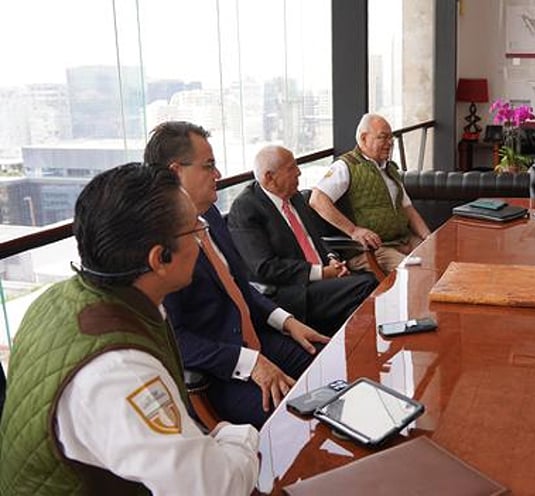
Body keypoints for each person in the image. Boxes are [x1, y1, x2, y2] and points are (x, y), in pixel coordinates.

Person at [0, 164, 259, 495]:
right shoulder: (118, 371)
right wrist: (240, 436)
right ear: (159, 259)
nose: (201, 239)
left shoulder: (58, 299)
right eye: (196, 229)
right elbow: (214, 488)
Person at [144, 121, 329, 429]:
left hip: (255, 339)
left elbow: (239, 287)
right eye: (209, 166)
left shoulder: (211, 215)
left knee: (327, 367)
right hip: (218, 371)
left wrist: (288, 321)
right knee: (295, 423)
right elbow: (176, 339)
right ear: (176, 171)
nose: (218, 175)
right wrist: (249, 363)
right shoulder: (160, 244)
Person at [228, 145, 378, 336]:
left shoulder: (295, 196)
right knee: (366, 284)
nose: (298, 172)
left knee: (355, 308)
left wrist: (332, 258)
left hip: (322, 281)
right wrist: (320, 273)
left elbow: (315, 239)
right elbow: (264, 267)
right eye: (291, 168)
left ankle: (350, 354)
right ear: (269, 177)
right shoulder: (246, 209)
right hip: (291, 292)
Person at [309, 113, 431, 274]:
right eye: (383, 137)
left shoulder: (390, 169)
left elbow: (408, 209)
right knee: (414, 272)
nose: (390, 143)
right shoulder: (345, 166)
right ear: (364, 138)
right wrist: (353, 231)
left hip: (403, 240)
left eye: (391, 138)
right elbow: (317, 200)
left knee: (439, 258)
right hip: (372, 250)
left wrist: (429, 238)